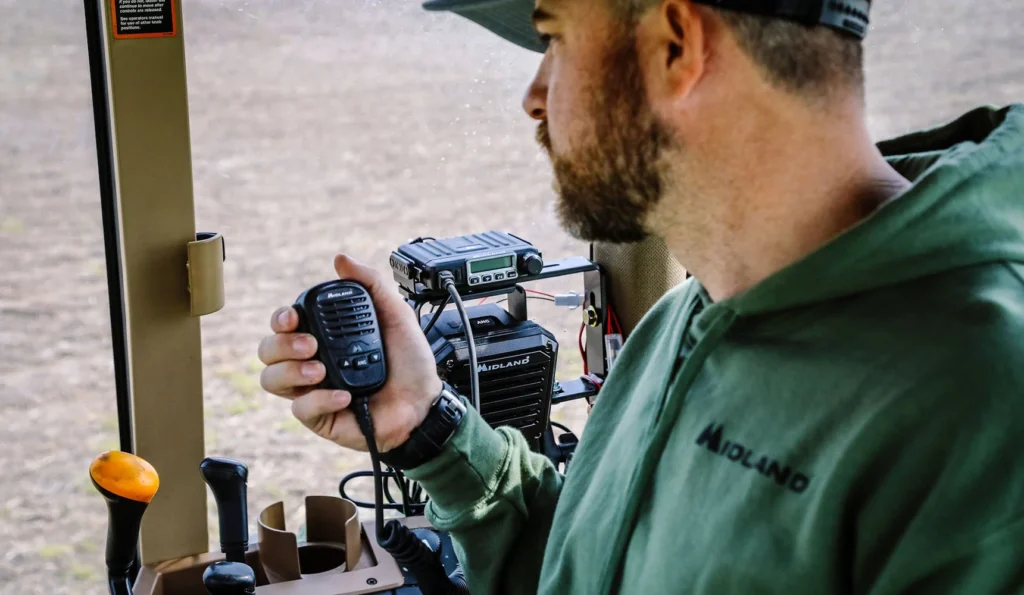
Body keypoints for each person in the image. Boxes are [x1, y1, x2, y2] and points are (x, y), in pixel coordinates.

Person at [257, 0, 1024, 592]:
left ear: (676, 45)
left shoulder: (982, 396)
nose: (534, 96)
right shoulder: (680, 321)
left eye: (554, 38)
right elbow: (600, 568)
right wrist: (428, 429)